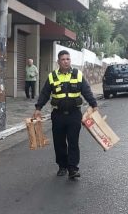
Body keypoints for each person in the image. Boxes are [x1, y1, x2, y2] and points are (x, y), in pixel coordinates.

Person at [33, 50, 98, 179]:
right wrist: (38, 108)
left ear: (70, 61)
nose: (66, 61)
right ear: (58, 62)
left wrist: (94, 104)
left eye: (68, 59)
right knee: (59, 142)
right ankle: (62, 166)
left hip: (74, 115)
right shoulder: (52, 76)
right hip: (58, 115)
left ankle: (73, 168)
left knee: (73, 141)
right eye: (63, 59)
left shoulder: (77, 74)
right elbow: (45, 93)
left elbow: (86, 91)